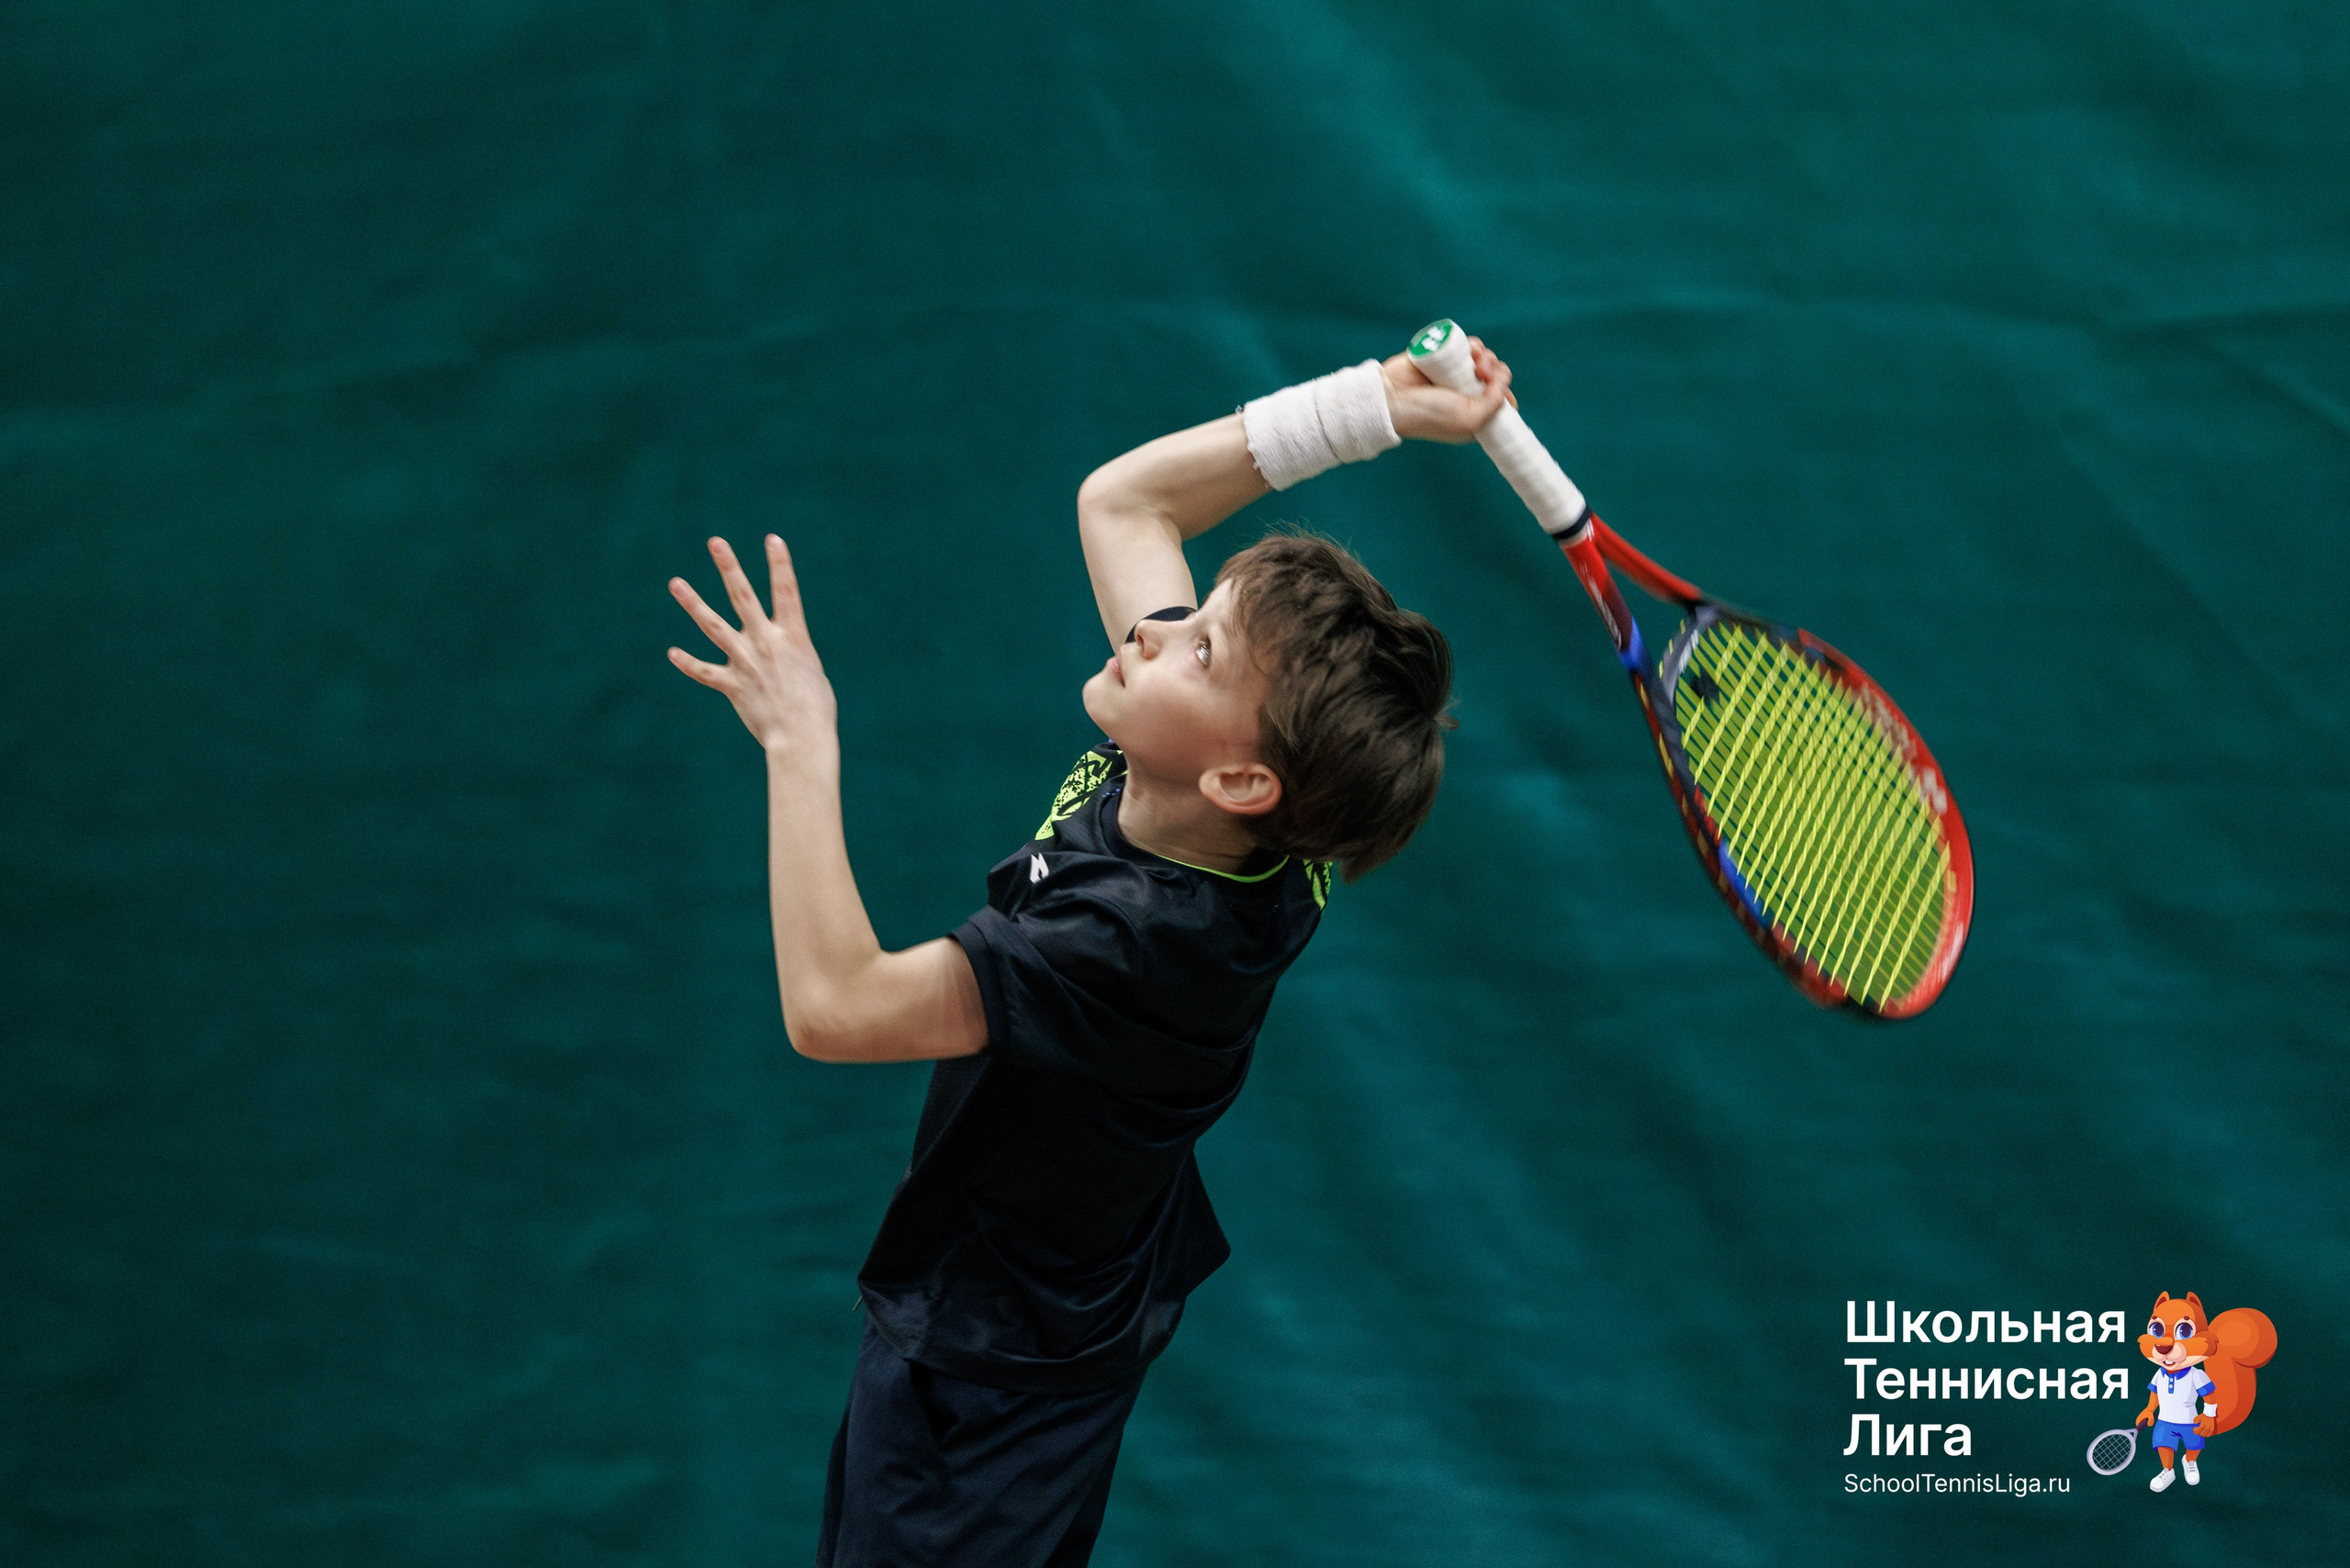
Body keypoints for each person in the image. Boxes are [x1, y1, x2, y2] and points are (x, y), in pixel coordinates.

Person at [665, 335, 1516, 1567]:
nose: (1157, 633)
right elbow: (1127, 502)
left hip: (989, 1390)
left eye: (1202, 649)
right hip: (1037, 1314)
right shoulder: (1255, 808)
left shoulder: (1134, 944)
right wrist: (1374, 400)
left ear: (1241, 777)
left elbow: (836, 1007)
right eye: (1197, 614)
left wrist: (802, 742)